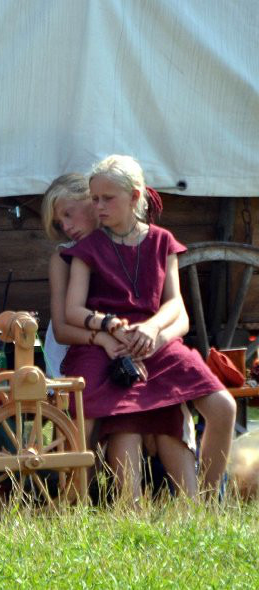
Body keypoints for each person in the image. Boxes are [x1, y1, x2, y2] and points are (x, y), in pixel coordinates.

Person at [62, 155, 236, 500]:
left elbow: (175, 306)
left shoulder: (161, 241)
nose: (98, 206)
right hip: (104, 345)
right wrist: (108, 326)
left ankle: (208, 502)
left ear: (134, 196)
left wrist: (154, 330)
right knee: (97, 410)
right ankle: (78, 496)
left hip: (155, 342)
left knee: (224, 407)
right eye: (95, 199)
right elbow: (72, 310)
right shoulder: (88, 248)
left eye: (107, 198)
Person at [41, 172, 196, 494]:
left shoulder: (133, 243)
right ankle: (77, 493)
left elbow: (168, 309)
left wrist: (147, 337)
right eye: (59, 222)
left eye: (68, 214)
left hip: (129, 344)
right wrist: (103, 337)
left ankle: (181, 490)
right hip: (79, 346)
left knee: (158, 403)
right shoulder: (65, 257)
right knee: (95, 403)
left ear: (91, 201)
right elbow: (63, 327)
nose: (66, 226)